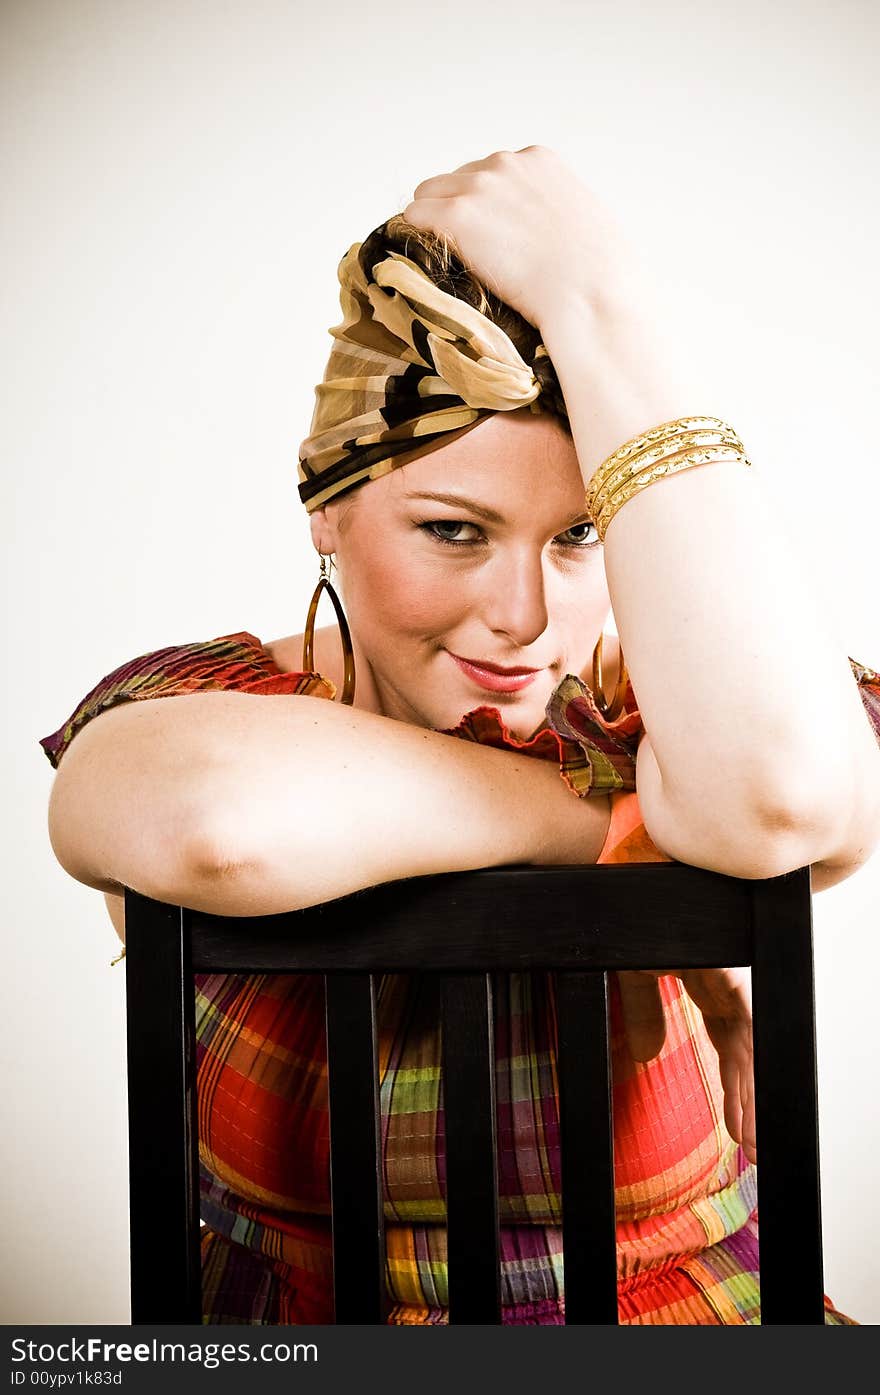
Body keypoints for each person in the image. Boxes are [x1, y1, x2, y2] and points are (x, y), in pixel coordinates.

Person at [39, 146, 880, 1325]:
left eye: (580, 538)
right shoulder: (216, 709)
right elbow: (213, 827)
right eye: (450, 529)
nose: (525, 616)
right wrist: (625, 819)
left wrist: (605, 309)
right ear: (328, 508)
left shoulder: (683, 707)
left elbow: (788, 799)